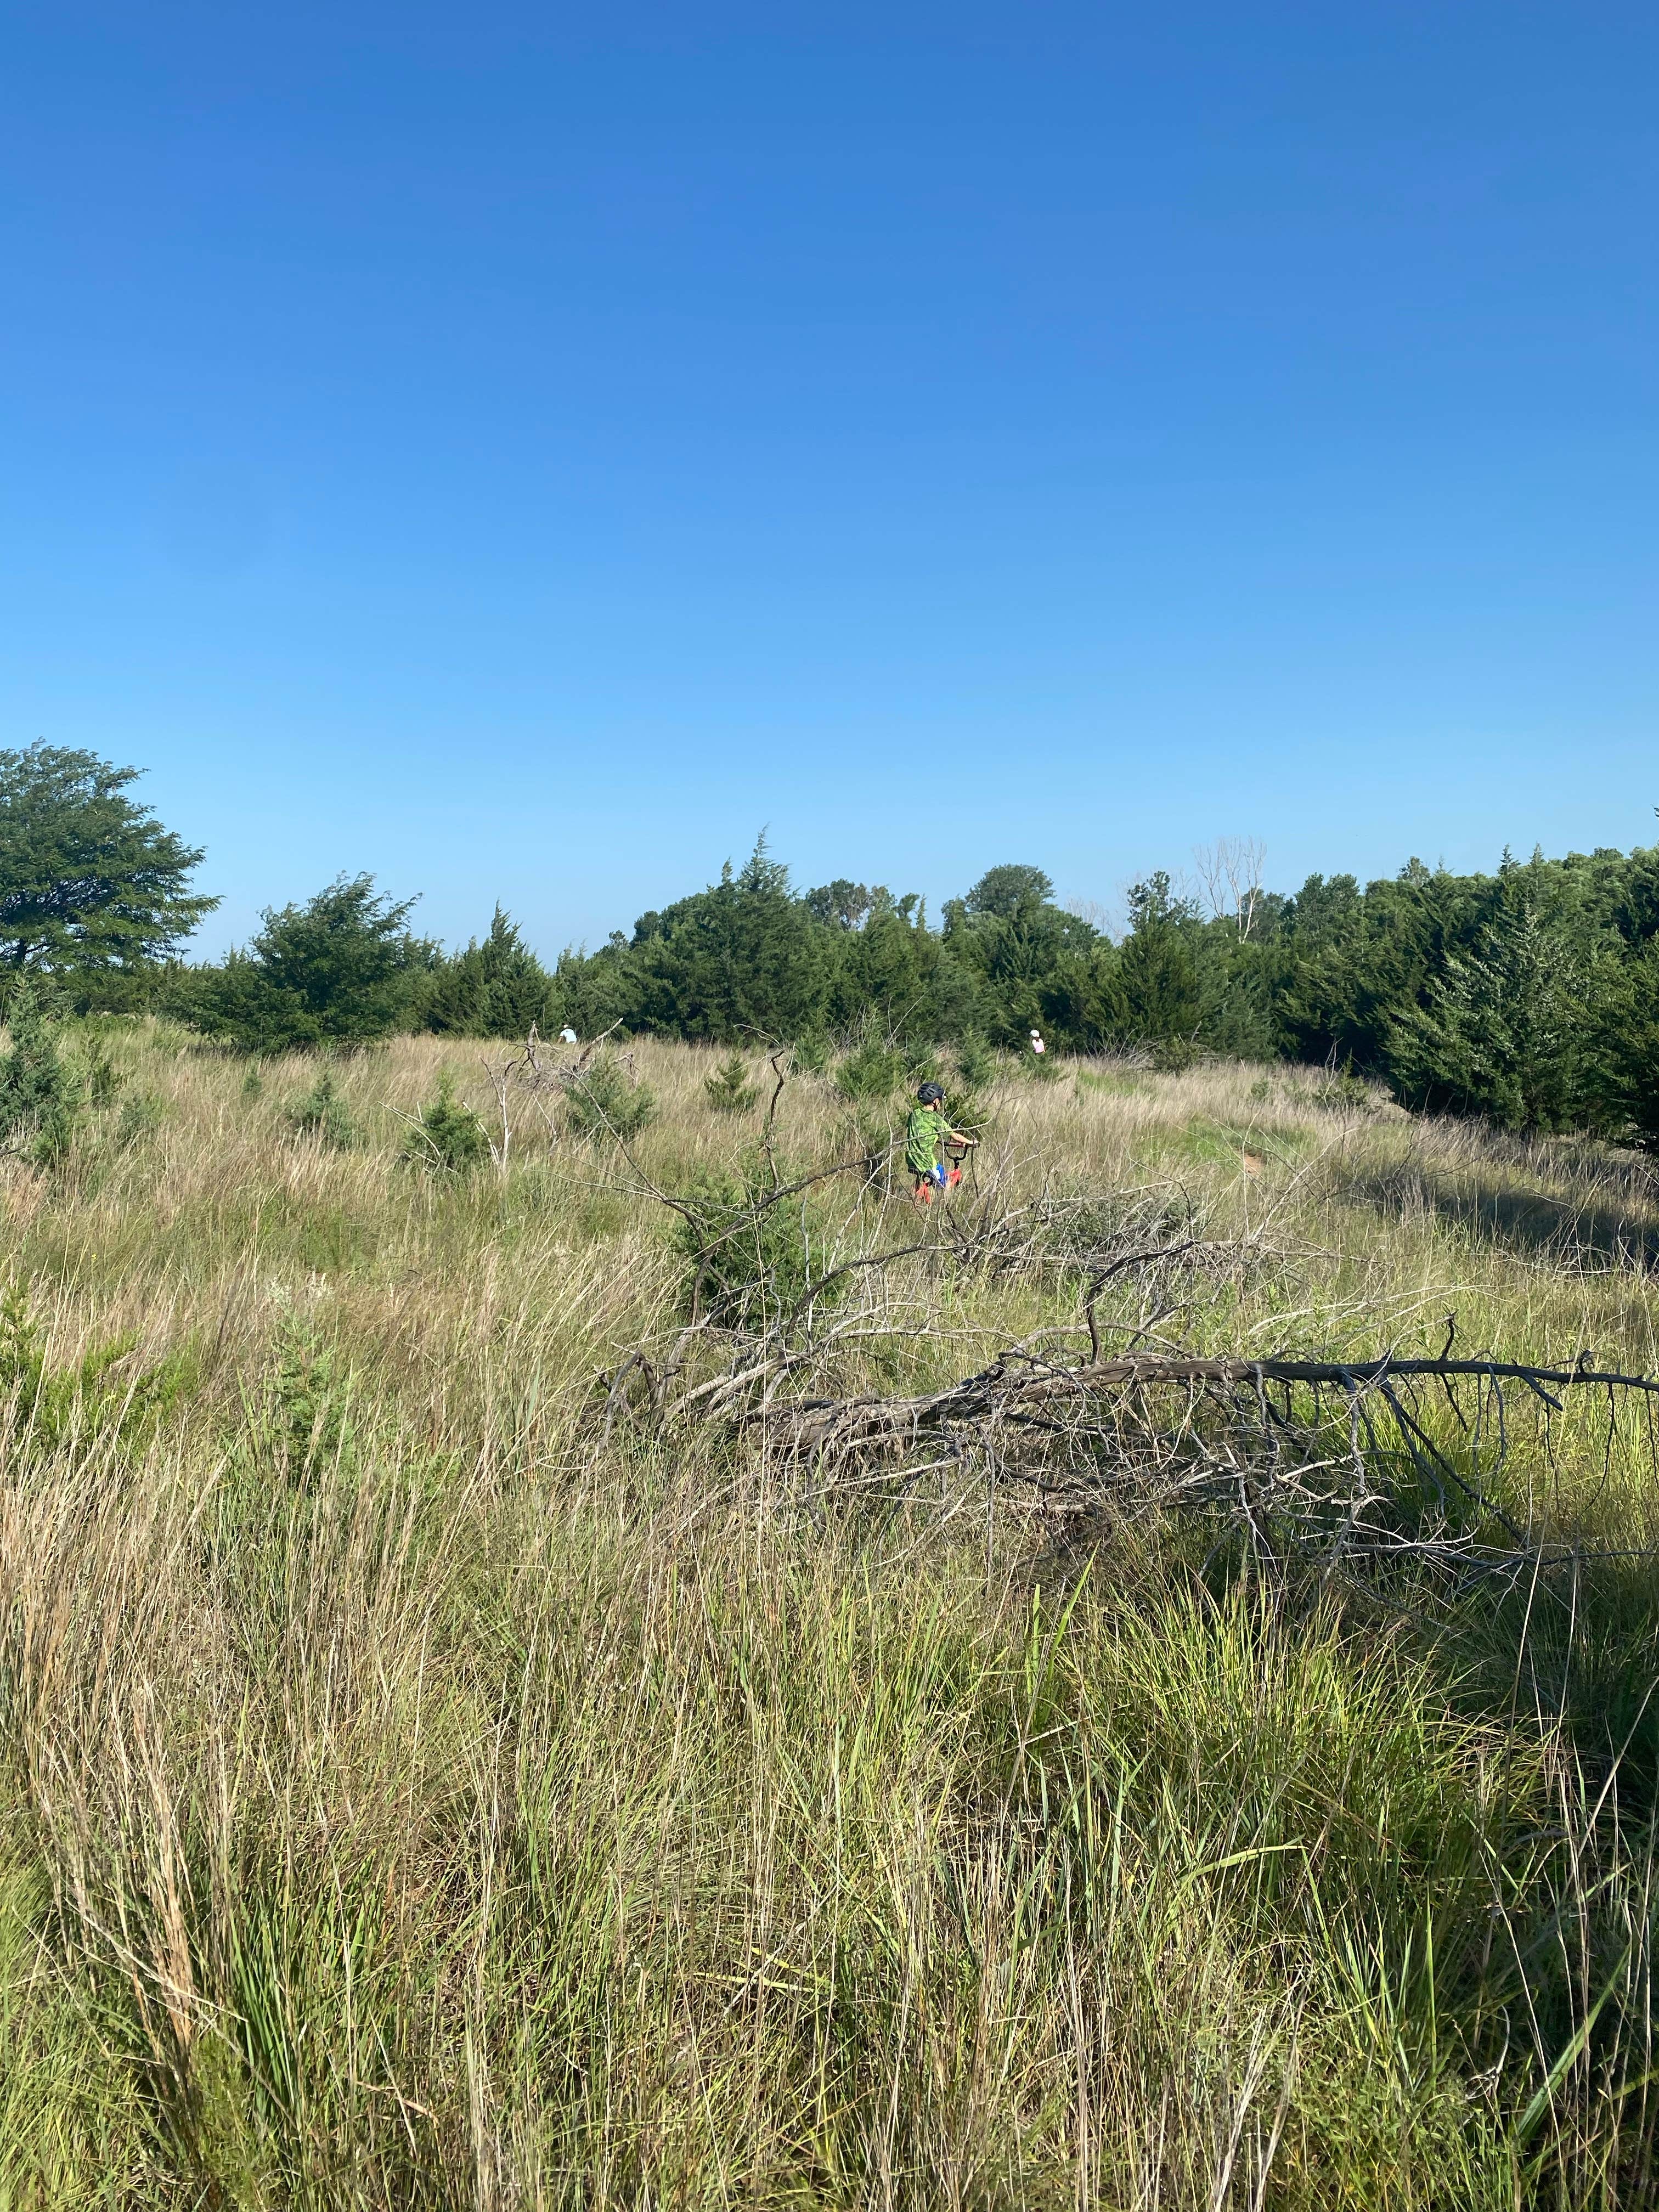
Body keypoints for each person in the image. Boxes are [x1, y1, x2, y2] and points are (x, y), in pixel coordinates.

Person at [904, 1080, 976, 1203]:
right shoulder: (935, 1118)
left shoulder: (914, 1114)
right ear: (936, 1101)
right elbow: (956, 1137)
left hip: (911, 1158)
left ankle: (917, 1197)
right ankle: (945, 1205)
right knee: (945, 1183)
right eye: (940, 1101)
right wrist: (971, 1142)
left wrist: (934, 1139)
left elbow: (918, 1132)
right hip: (926, 1161)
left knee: (923, 1178)